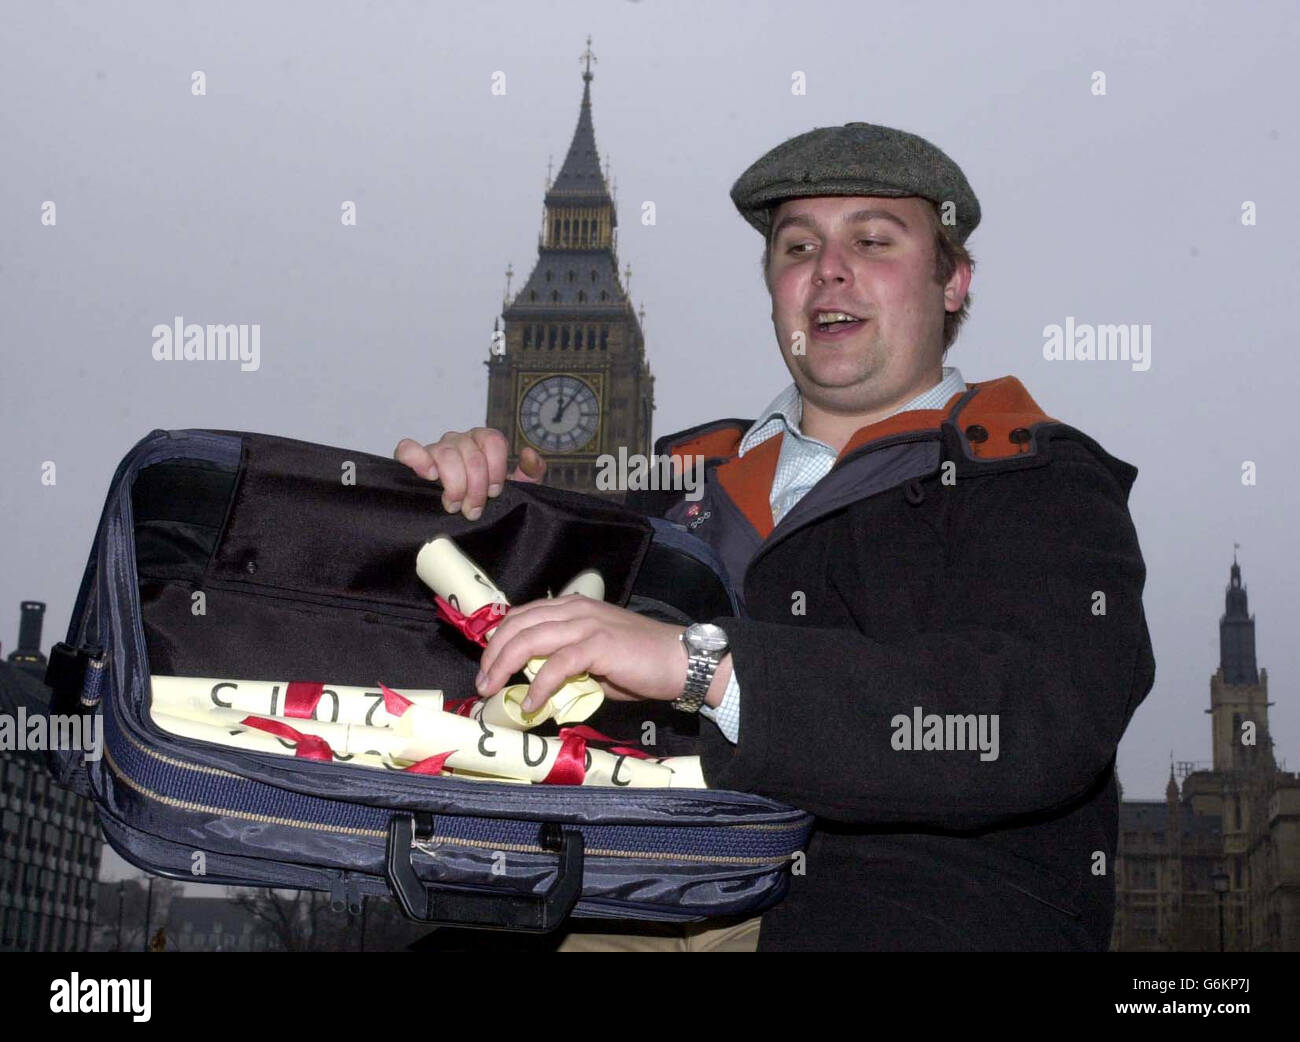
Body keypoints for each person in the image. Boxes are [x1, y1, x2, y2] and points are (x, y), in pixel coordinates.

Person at [395, 121, 1156, 951]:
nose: (829, 268)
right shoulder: (665, 485)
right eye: (798, 248)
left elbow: (1032, 713)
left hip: (880, 912)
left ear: (953, 282)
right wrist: (476, 514)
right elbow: (478, 687)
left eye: (872, 240)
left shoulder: (1032, 475)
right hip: (611, 887)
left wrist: (701, 666)